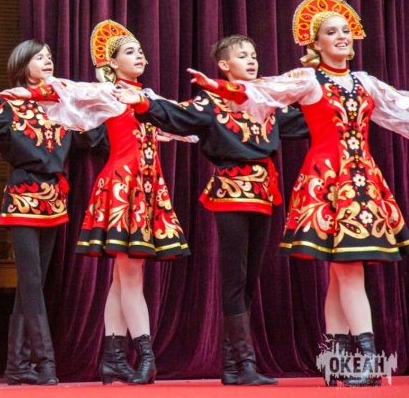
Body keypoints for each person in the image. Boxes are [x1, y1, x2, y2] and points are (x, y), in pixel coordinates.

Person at [188, 0, 409, 387]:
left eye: (345, 31)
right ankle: (363, 361)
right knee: (345, 270)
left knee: (342, 272)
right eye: (331, 32)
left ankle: (339, 363)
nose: (341, 37)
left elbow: (401, 110)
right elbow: (262, 91)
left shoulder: (367, 82)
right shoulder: (307, 80)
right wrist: (220, 87)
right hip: (326, 180)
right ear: (315, 43)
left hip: (362, 180)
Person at [0, 22, 190, 385]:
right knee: (130, 275)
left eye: (140, 51)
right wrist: (29, 94)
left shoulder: (148, 97)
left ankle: (112, 358)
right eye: (130, 52)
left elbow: (185, 120)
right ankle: (145, 357)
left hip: (147, 186)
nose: (140, 56)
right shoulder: (108, 93)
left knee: (121, 278)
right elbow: (68, 89)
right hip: (123, 187)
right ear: (112, 63)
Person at [115, 35, 307, 385]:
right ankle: (243, 363)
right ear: (223, 65)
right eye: (242, 56)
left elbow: (306, 122)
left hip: (263, 193)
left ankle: (233, 366)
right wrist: (142, 102)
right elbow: (176, 115)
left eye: (253, 55)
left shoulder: (267, 101)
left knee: (249, 279)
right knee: (235, 278)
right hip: (230, 193)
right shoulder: (211, 102)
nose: (252, 61)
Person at [0, 40, 106, 385]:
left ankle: (18, 364)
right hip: (22, 197)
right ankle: (45, 363)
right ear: (22, 65)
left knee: (33, 284)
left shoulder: (61, 105)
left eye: (49, 57)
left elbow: (93, 138)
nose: (47, 61)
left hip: (54, 200)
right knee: (31, 282)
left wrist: (100, 102)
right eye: (39, 57)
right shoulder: (9, 105)